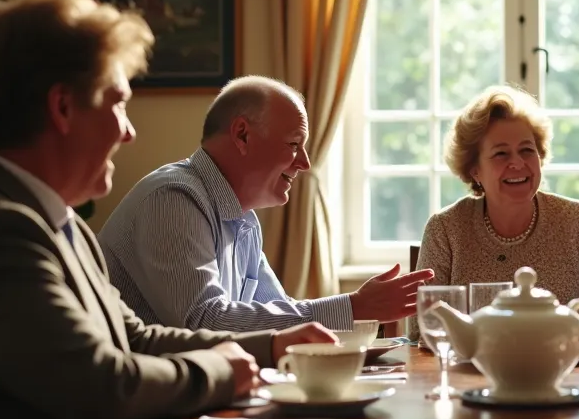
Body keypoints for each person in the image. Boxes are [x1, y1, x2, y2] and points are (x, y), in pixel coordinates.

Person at [0, 0, 335, 419]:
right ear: (63, 108)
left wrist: (270, 346)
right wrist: (221, 370)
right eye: (118, 103)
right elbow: (98, 387)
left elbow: (132, 338)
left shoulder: (53, 220)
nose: (128, 131)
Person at [99, 76, 433, 333]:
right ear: (242, 135)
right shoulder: (173, 199)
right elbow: (204, 324)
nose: (304, 162)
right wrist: (354, 308)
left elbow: (279, 313)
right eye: (293, 144)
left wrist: (359, 310)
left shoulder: (244, 220)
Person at [414, 84, 579, 337]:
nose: (518, 163)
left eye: (526, 150)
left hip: (565, 370)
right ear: (474, 170)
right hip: (471, 374)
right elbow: (422, 329)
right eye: (501, 154)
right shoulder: (445, 229)